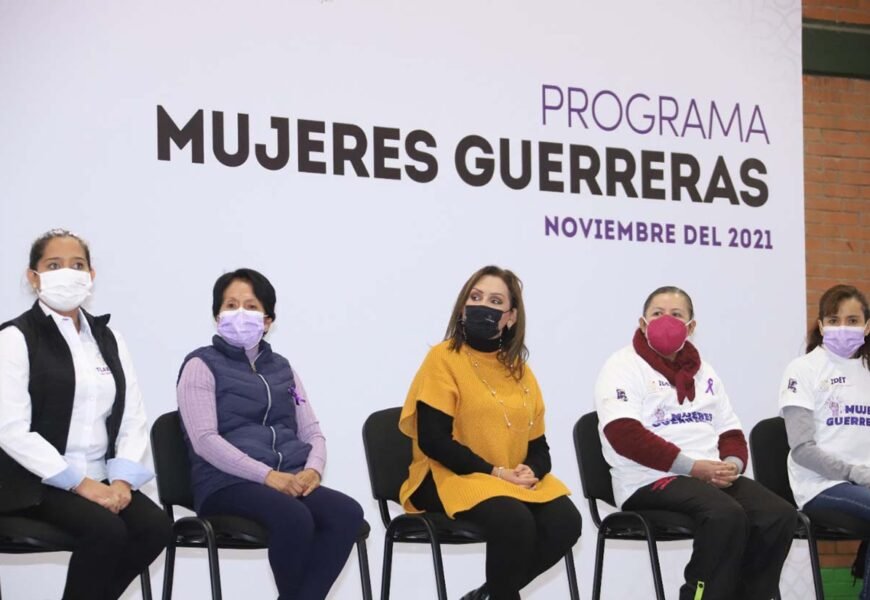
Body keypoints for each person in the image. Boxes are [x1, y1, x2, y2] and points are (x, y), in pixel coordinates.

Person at [594, 285, 796, 600]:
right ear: (643, 322)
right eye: (657, 314)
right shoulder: (622, 366)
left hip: (709, 475)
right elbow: (624, 434)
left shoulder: (705, 373)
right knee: (725, 515)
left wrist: (731, 466)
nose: (666, 320)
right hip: (650, 479)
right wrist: (693, 468)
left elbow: (730, 432)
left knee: (778, 514)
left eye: (677, 315)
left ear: (691, 326)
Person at [0, 229, 171, 600]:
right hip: (36, 482)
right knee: (106, 531)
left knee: (155, 527)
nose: (68, 273)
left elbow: (132, 416)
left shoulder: (109, 338)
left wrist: (122, 479)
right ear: (34, 277)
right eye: (54, 265)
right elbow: (11, 430)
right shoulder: (15, 337)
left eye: (77, 265)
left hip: (103, 477)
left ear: (91, 276)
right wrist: (82, 485)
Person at [176, 267, 364, 600]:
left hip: (285, 479)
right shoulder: (199, 366)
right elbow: (205, 441)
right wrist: (267, 476)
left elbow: (312, 431)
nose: (239, 313)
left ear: (267, 320)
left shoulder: (283, 369)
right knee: (294, 517)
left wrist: (312, 470)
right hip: (224, 484)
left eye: (250, 306)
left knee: (346, 512)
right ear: (217, 315)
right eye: (230, 305)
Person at [398, 265, 582, 600]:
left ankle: (487, 595)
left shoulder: (521, 372)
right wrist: (496, 472)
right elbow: (433, 440)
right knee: (515, 521)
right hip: (446, 475)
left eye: (495, 301)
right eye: (476, 297)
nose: (483, 305)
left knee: (565, 521)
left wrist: (533, 469)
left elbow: (539, 446)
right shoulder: (443, 359)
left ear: (510, 317)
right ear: (463, 305)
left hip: (506, 481)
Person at [780, 284, 870, 599]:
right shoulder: (803, 370)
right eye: (833, 320)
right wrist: (857, 473)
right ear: (821, 326)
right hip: (821, 486)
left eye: (852, 320)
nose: (843, 328)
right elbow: (803, 449)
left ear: (867, 325)